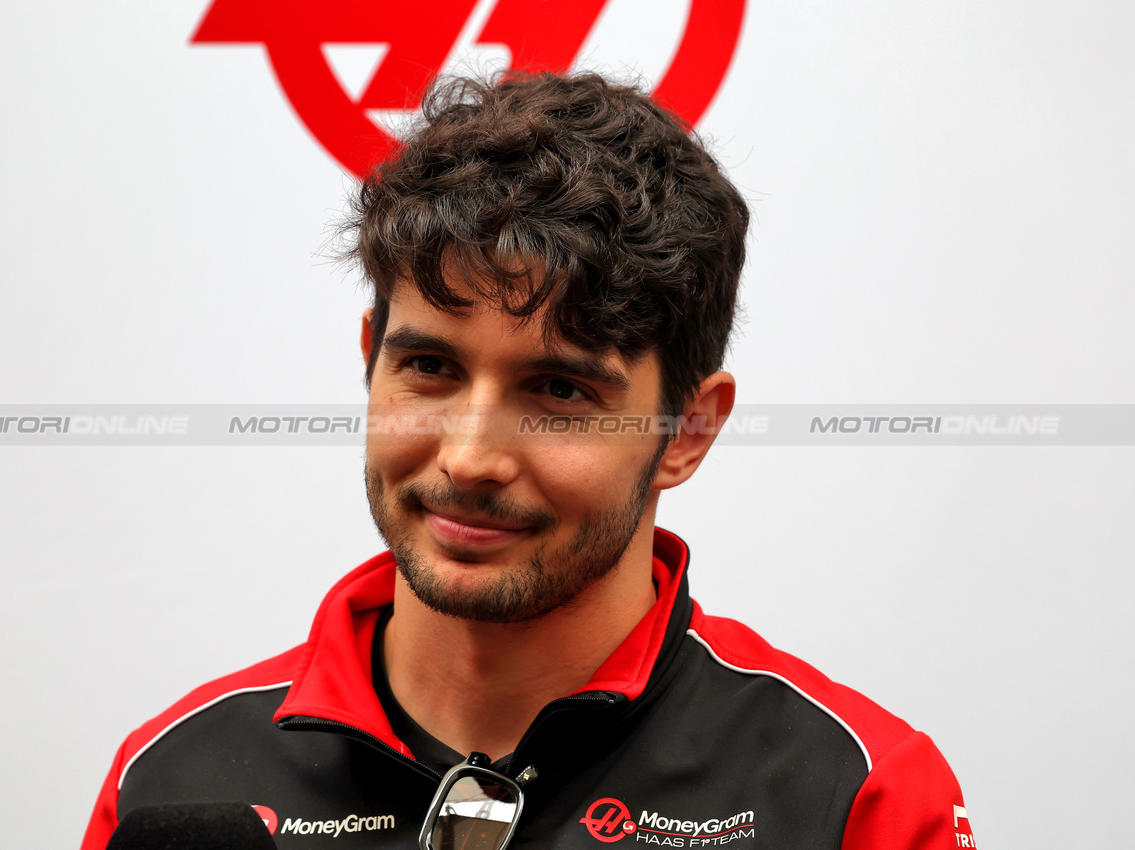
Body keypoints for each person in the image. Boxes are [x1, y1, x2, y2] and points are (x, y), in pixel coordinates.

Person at [81, 72, 975, 850]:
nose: (470, 458)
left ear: (686, 432)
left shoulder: (856, 793)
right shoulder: (169, 780)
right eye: (427, 368)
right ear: (370, 359)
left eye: (559, 392)